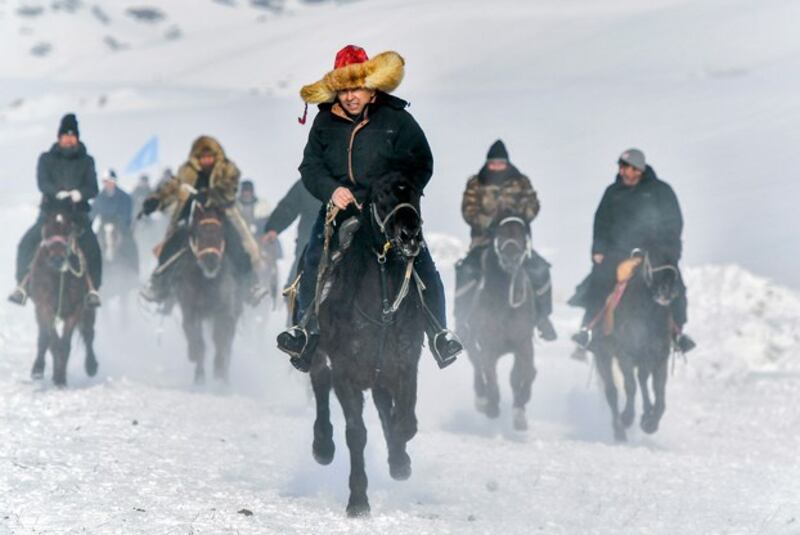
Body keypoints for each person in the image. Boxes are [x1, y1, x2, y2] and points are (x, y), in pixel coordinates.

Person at [276, 44, 462, 369]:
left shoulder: (397, 119)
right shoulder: (323, 122)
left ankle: (439, 333)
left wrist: (397, 192)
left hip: (388, 209)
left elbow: (421, 161)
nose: (350, 96)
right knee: (313, 256)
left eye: (357, 88)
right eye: (344, 89)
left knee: (420, 260)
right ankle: (304, 330)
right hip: (340, 209)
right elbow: (310, 167)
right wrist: (332, 190)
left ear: (370, 86)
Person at [569, 148, 695, 354]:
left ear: (639, 170)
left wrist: (668, 250)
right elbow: (601, 221)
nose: (623, 172)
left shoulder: (660, 191)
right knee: (598, 282)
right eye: (621, 167)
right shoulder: (612, 192)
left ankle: (677, 332)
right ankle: (589, 330)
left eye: (627, 168)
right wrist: (598, 248)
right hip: (619, 252)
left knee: (674, 284)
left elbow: (674, 223)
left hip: (655, 253)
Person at [138, 135, 267, 305]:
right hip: (193, 216)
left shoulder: (227, 169)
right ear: (197, 158)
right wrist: (156, 200)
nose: (206, 160)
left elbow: (229, 188)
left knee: (237, 244)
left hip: (221, 215)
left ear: (215, 157)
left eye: (210, 157)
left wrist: (208, 195)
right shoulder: (187, 171)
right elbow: (174, 187)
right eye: (203, 157)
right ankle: (158, 283)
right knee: (172, 245)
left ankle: (251, 286)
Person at [455, 140, 557, 341]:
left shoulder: (521, 182)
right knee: (466, 271)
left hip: (516, 243)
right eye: (493, 163)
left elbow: (533, 206)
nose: (496, 167)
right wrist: (491, 223)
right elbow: (468, 211)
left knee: (540, 269)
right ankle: (461, 322)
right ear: (487, 163)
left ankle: (543, 318)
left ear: (507, 163)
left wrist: (518, 218)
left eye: (500, 163)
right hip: (483, 242)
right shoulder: (476, 183)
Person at [8, 113, 102, 308]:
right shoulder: (46, 158)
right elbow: (42, 182)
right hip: (50, 212)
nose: (68, 139)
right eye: (65, 136)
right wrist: (56, 192)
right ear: (59, 138)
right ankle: (23, 285)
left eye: (72, 136)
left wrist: (79, 194)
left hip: (77, 214)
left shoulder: (87, 161)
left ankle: (93, 289)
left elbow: (93, 188)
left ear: (77, 137)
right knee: (27, 243)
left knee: (92, 248)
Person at [262, 178, 321, 290]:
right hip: (308, 242)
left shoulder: (350, 178)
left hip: (343, 241)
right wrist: (274, 228)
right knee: (295, 284)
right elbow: (288, 207)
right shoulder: (308, 181)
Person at [91, 169, 139, 271]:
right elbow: (93, 213)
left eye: (111, 181)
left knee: (129, 244)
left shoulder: (125, 197)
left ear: (115, 182)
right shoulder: (99, 198)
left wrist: (123, 224)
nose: (109, 184)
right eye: (106, 181)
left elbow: (127, 214)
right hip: (103, 225)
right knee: (93, 245)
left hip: (120, 225)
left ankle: (134, 269)